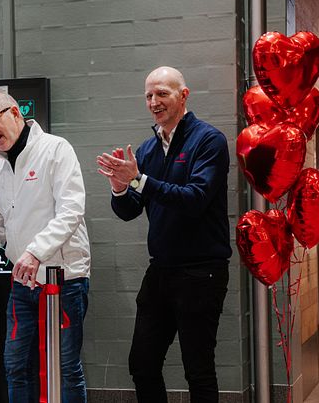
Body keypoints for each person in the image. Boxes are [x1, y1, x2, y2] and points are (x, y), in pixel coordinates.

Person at [96, 66, 231, 403]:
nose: (153, 102)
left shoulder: (209, 140)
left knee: (198, 370)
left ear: (183, 96)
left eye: (161, 94)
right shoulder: (147, 149)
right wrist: (119, 188)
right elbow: (128, 211)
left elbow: (195, 199)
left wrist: (139, 180)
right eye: (148, 95)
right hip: (161, 272)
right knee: (142, 364)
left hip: (202, 272)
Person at [0, 92, 91, 403]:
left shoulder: (55, 149)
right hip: (23, 283)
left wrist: (35, 251)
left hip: (64, 278)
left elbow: (71, 210)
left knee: (65, 368)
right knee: (15, 365)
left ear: (14, 112)